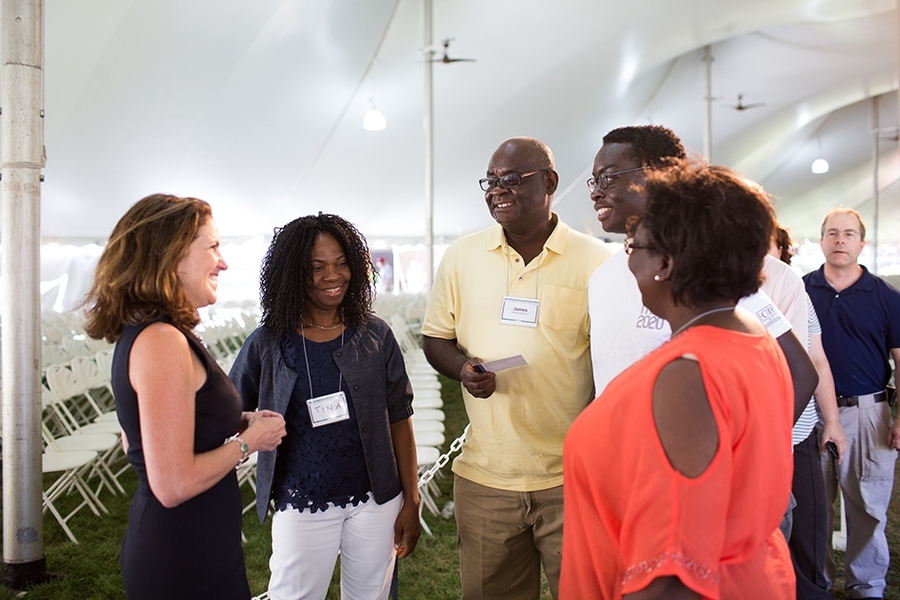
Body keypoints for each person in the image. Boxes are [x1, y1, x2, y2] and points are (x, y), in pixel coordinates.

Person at [561, 160, 796, 598]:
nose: (628, 259)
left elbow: (672, 578)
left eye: (634, 245)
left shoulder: (688, 376)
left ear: (665, 263)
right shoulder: (753, 337)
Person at [421, 137, 611, 600]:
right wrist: (463, 368)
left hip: (573, 478)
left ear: (549, 182)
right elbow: (434, 337)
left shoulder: (598, 262)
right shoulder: (462, 256)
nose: (497, 190)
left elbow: (612, 361)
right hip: (486, 477)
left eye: (511, 179)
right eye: (491, 181)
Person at [82, 194, 287, 600]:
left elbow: (137, 438)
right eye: (212, 247)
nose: (223, 262)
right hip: (182, 556)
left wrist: (235, 419)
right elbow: (172, 484)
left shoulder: (156, 333)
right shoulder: (161, 341)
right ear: (171, 255)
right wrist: (249, 442)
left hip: (197, 543)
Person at [229, 213, 420, 600]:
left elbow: (400, 418)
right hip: (300, 498)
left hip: (376, 500)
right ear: (293, 274)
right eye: (316, 268)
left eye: (340, 264)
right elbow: (229, 409)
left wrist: (411, 501)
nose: (332, 276)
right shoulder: (268, 342)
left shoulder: (375, 335)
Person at [586, 125, 816, 409]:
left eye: (607, 178)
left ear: (658, 175)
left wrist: (749, 449)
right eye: (594, 181)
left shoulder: (708, 267)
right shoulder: (601, 277)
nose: (595, 193)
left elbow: (800, 374)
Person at [803, 207, 900, 599]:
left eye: (848, 234)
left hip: (868, 412)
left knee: (868, 508)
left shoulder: (886, 297)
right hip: (810, 415)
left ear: (862, 242)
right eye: (832, 233)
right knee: (816, 510)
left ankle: (867, 588)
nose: (839, 240)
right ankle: (820, 584)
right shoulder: (802, 290)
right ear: (822, 240)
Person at [769, 225, 847, 600]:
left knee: (807, 531)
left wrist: (831, 420)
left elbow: (814, 362)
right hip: (754, 441)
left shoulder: (790, 291)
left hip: (795, 435)